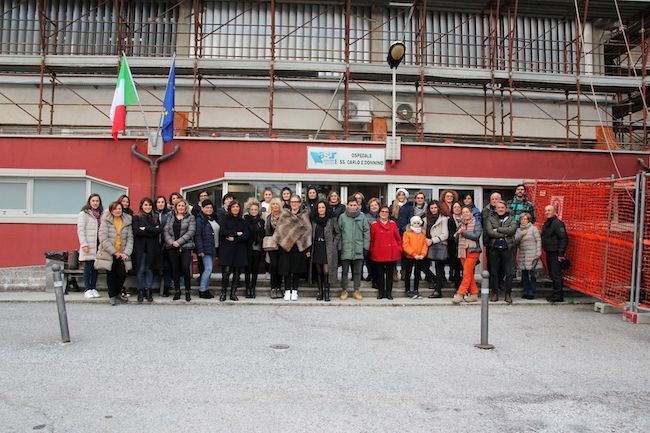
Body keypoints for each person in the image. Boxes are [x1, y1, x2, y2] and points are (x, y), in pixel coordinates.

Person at [94, 202, 133, 306]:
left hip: (122, 253)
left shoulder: (127, 220)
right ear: (111, 210)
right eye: (115, 209)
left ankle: (117, 293)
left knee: (122, 274)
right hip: (109, 253)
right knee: (111, 275)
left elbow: (130, 238)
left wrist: (126, 253)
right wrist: (114, 252)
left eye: (119, 208)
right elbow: (103, 238)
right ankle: (112, 296)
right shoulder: (105, 220)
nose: (117, 210)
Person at [275, 194, 312, 301]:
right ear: (290, 203)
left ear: (300, 203)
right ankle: (287, 291)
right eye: (292, 202)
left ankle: (295, 291)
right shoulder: (285, 215)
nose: (294, 204)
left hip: (298, 246)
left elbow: (308, 230)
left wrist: (296, 234)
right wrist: (295, 232)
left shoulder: (304, 215)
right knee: (286, 269)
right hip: (286, 245)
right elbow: (280, 230)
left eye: (296, 202)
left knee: (296, 269)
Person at [163, 198, 196, 302]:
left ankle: (187, 291)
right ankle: (177, 291)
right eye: (179, 205)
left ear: (186, 207)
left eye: (183, 205)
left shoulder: (190, 217)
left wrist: (179, 242)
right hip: (172, 246)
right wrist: (171, 242)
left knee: (186, 268)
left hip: (185, 246)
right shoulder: (170, 216)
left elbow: (191, 232)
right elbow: (165, 231)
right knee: (175, 269)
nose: (181, 207)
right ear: (175, 207)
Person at [338, 196, 370, 300]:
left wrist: (365, 247)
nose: (352, 207)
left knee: (357, 271)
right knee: (345, 271)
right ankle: (344, 290)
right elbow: (339, 233)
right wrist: (339, 247)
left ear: (358, 206)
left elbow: (366, 232)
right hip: (345, 248)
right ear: (347, 205)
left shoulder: (362, 217)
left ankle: (356, 290)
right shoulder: (342, 217)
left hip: (358, 248)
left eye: (354, 205)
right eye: (350, 205)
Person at [485, 200, 517, 303]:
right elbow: (490, 232)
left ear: (505, 208)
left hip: (508, 248)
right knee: (494, 272)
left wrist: (498, 229)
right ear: (495, 209)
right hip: (494, 248)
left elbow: (512, 230)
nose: (500, 209)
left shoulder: (511, 218)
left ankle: (508, 294)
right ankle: (495, 293)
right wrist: (505, 232)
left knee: (508, 273)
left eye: (502, 207)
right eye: (498, 207)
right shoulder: (490, 218)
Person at [132, 197, 162, 303]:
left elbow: (158, 231)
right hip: (140, 248)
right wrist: (151, 231)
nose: (148, 207)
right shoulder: (136, 217)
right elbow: (136, 231)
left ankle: (148, 290)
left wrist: (146, 228)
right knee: (140, 270)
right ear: (141, 206)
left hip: (152, 248)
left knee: (149, 269)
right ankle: (140, 290)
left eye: (149, 205)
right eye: (145, 205)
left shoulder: (155, 217)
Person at [369, 206, 402, 299]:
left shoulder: (393, 224)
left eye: (386, 212)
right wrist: (372, 250)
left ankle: (388, 293)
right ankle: (381, 293)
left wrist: (399, 249)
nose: (384, 213)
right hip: (378, 252)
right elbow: (371, 240)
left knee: (389, 275)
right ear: (379, 213)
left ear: (389, 214)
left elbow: (398, 239)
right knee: (380, 274)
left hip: (391, 252)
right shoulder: (374, 225)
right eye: (382, 211)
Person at [310, 200, 341, 302]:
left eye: (323, 207)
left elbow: (338, 233)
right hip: (317, 248)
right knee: (319, 271)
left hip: (327, 248)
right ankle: (320, 292)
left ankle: (327, 292)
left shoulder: (331, 219)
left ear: (326, 208)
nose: (321, 209)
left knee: (326, 271)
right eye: (319, 207)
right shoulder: (314, 220)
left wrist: (334, 244)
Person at [219, 200, 249, 302]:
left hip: (239, 250)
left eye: (237, 207)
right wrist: (237, 233)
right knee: (226, 273)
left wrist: (234, 238)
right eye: (233, 207)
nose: (235, 208)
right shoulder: (225, 219)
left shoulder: (243, 221)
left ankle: (233, 293)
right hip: (227, 250)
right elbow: (223, 232)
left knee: (237, 273)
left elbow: (246, 235)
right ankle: (223, 293)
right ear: (230, 208)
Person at [451, 206, 482, 304]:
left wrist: (463, 232)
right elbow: (456, 238)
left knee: (466, 273)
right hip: (462, 251)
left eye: (467, 212)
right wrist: (458, 233)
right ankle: (474, 294)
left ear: (471, 213)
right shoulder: (461, 224)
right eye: (463, 212)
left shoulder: (476, 223)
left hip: (473, 250)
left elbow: (476, 236)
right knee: (469, 274)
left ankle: (460, 294)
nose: (465, 214)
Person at [77, 193, 103, 298]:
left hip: (98, 244)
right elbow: (80, 230)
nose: (95, 203)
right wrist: (84, 244)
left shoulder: (101, 214)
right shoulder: (84, 213)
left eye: (97, 201)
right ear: (89, 202)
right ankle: (87, 289)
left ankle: (93, 288)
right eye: (93, 201)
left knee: (96, 267)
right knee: (88, 267)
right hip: (88, 244)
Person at [541, 205, 568, 303]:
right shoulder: (548, 223)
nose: (547, 212)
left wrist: (561, 253)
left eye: (549, 210)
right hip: (549, 251)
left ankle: (558, 295)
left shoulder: (557, 223)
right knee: (552, 274)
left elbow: (563, 238)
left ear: (554, 212)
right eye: (546, 210)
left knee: (556, 274)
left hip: (555, 253)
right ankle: (555, 293)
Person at [194, 199, 219, 299]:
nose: (209, 209)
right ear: (202, 208)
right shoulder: (199, 219)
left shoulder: (214, 218)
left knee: (210, 269)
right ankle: (202, 290)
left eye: (210, 207)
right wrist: (200, 250)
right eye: (207, 207)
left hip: (214, 247)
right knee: (208, 269)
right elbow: (198, 235)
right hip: (205, 248)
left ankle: (206, 289)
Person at [515, 212, 541, 300]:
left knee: (532, 274)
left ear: (528, 220)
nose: (523, 221)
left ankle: (531, 292)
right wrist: (521, 234)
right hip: (523, 254)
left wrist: (538, 253)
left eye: (525, 219)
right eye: (522, 219)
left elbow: (538, 241)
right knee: (524, 274)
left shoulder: (533, 228)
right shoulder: (519, 230)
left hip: (532, 253)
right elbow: (515, 241)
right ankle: (525, 291)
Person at [424, 200, 448, 298]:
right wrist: (425, 239)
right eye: (431, 208)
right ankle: (435, 280)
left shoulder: (443, 219)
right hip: (427, 244)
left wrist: (433, 240)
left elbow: (445, 234)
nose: (433, 209)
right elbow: (423, 231)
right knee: (423, 265)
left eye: (435, 207)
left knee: (439, 268)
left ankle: (438, 291)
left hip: (439, 244)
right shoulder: (425, 219)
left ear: (438, 208)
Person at [402, 215, 428, 299]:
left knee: (417, 274)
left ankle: (416, 289)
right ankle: (407, 290)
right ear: (411, 224)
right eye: (414, 223)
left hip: (419, 257)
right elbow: (406, 245)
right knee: (408, 273)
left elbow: (424, 245)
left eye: (418, 223)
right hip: (410, 256)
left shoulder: (422, 234)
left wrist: (423, 254)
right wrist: (414, 254)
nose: (416, 225)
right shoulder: (407, 233)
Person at [244, 198, 265, 299]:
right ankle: (247, 288)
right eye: (252, 209)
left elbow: (262, 234)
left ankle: (253, 288)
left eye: (255, 209)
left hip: (257, 248)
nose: (253, 211)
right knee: (247, 269)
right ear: (248, 210)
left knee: (255, 269)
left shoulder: (261, 221)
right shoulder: (245, 220)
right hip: (247, 247)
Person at [264, 197, 284, 298]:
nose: (275, 206)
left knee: (280, 266)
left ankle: (279, 288)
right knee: (274, 265)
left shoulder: (284, 216)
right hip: (271, 245)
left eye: (277, 204)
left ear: (280, 205)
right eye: (273, 204)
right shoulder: (268, 217)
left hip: (282, 244)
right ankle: (273, 288)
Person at [154, 195, 173, 297]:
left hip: (167, 244)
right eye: (158, 202)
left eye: (162, 202)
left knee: (167, 266)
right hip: (155, 243)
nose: (160, 204)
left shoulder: (169, 214)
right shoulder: (152, 214)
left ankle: (166, 287)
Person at [364, 197, 381, 287]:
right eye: (372, 205)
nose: (374, 207)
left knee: (378, 263)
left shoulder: (382, 215)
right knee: (369, 261)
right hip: (369, 241)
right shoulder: (366, 217)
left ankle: (377, 279)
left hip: (380, 242)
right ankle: (371, 275)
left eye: (375, 205)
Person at [447, 201, 463, 290]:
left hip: (463, 246)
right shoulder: (450, 219)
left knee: (464, 269)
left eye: (458, 207)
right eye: (455, 207)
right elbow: (448, 234)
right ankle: (457, 289)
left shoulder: (465, 218)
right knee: (456, 268)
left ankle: (465, 288)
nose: (457, 209)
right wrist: (455, 235)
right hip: (453, 247)